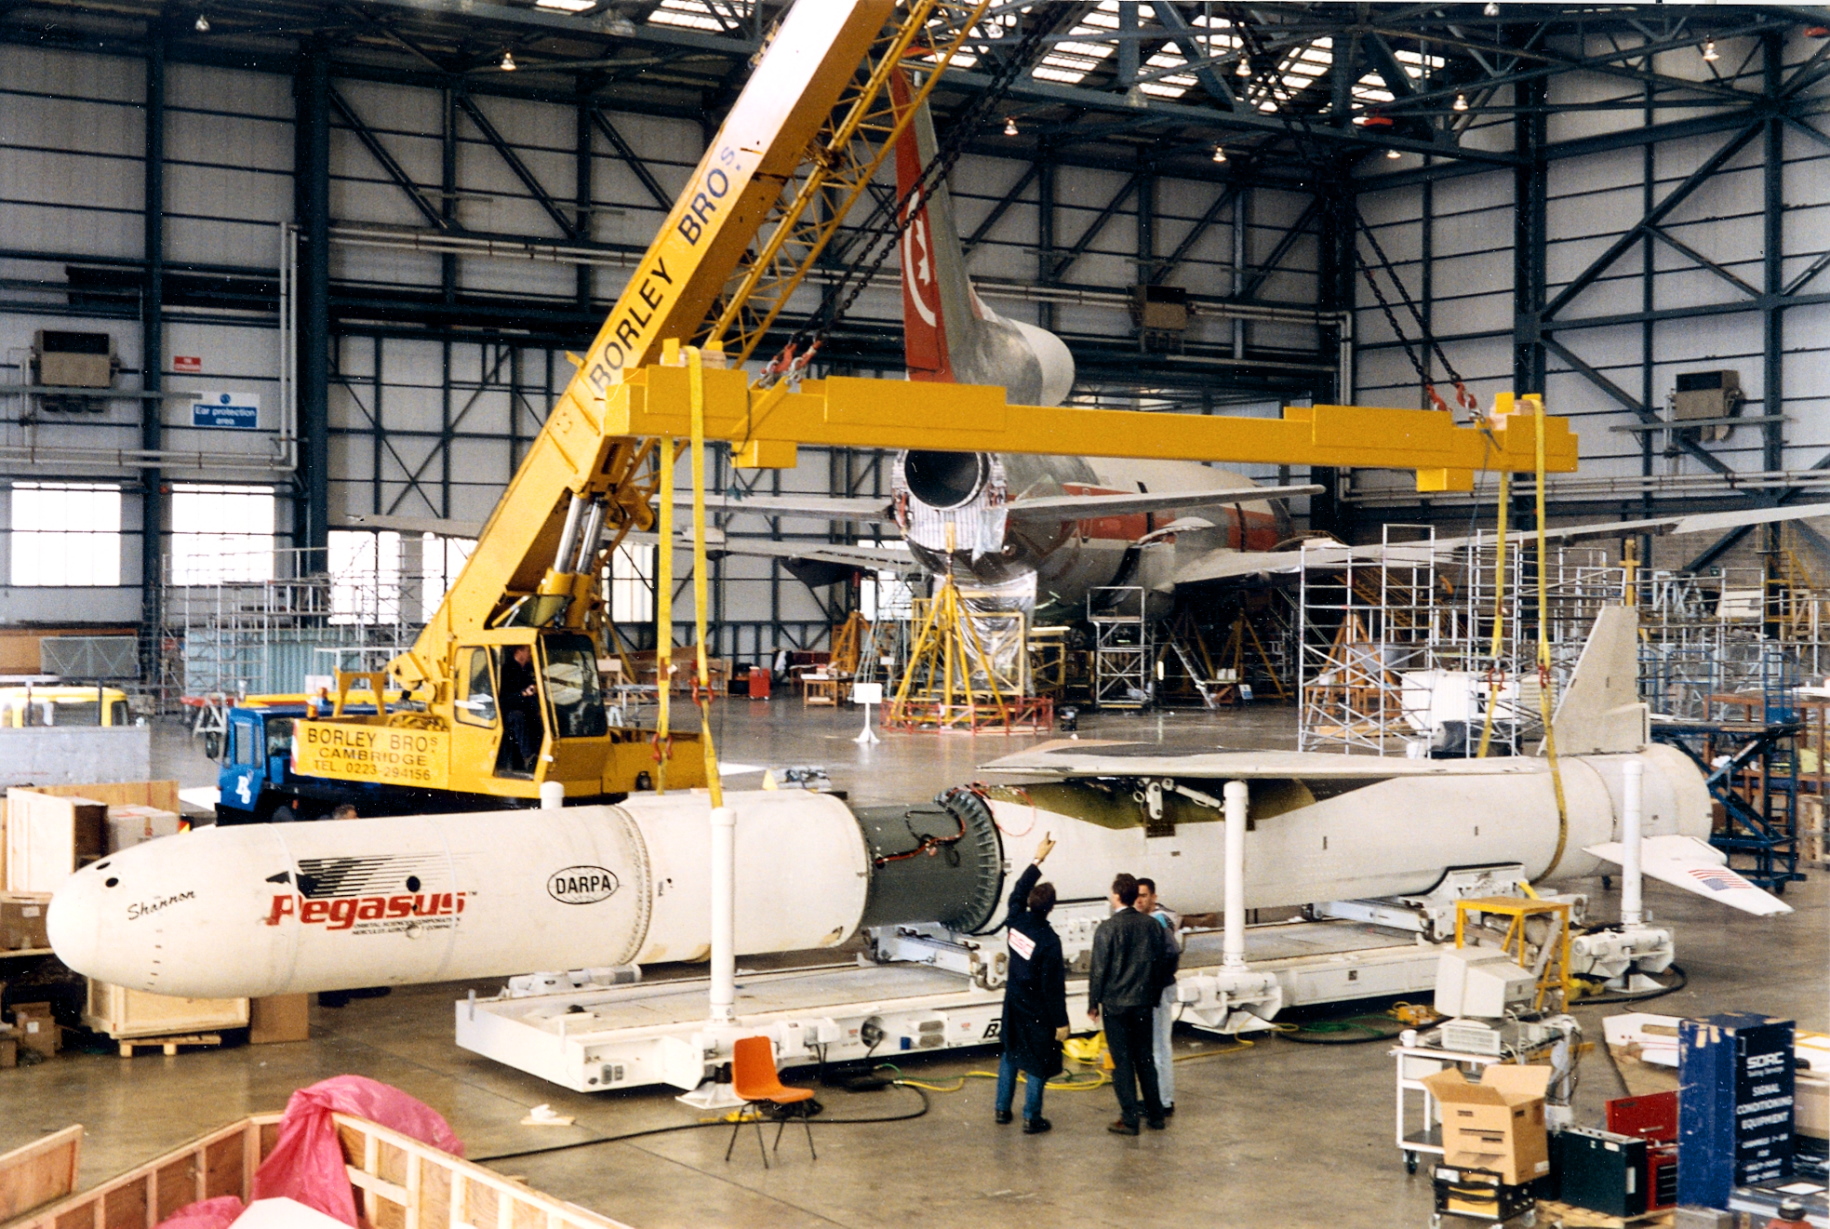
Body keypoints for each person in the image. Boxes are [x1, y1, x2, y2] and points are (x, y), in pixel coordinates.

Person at [994, 835, 1069, 1135]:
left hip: (1014, 1002)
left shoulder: (1015, 921)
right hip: (1038, 1009)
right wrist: (1061, 1023)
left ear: (1029, 904)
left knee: (1011, 1052)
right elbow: (1053, 988)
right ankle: (1031, 1117)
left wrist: (1038, 859)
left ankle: (1002, 1109)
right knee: (1038, 1061)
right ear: (1051, 908)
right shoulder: (1050, 941)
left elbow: (1017, 891)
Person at [1087, 872, 1171, 1135]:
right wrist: (1154, 995)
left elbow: (1098, 970)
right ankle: (1156, 1115)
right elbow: (1161, 963)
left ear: (1116, 895)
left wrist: (1093, 1003)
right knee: (1145, 1058)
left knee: (1122, 1063)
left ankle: (1129, 1119)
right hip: (1144, 1003)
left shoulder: (1107, 928)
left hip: (1116, 1006)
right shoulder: (1152, 926)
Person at [1134, 877, 1182, 1116]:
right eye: (1137, 895)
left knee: (1159, 1047)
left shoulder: (1159, 921)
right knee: (1153, 1046)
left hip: (1159, 991)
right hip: (1154, 990)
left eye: (1144, 895)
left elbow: (1171, 952)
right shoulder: (1151, 920)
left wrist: (1156, 979)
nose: (1139, 899)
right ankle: (1159, 1097)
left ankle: (1163, 1101)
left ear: (1154, 896)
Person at [499, 645, 542, 772]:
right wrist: (522, 693)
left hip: (527, 707)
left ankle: (540, 754)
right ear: (519, 652)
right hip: (507, 711)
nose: (531, 654)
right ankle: (528, 757)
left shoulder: (529, 669)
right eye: (528, 650)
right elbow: (503, 699)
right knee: (518, 717)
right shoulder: (506, 670)